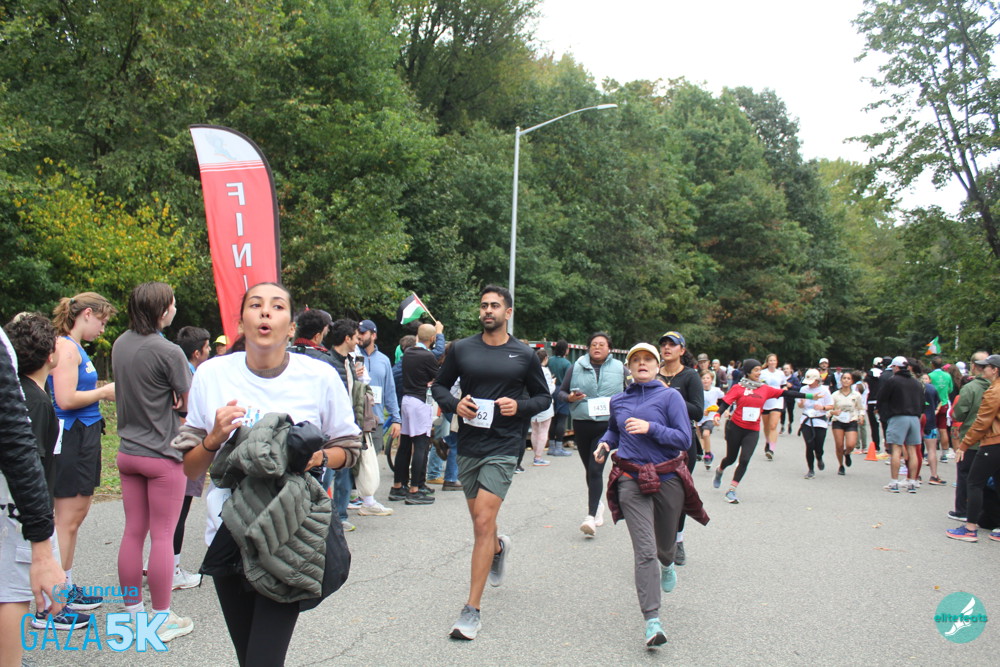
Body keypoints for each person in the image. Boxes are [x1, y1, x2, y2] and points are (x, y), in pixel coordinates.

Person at [175, 282, 361, 666]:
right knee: (249, 657)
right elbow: (190, 467)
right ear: (241, 322)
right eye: (255, 304)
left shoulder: (319, 376)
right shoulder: (212, 374)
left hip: (289, 531)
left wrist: (317, 458)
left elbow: (350, 451)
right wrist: (213, 438)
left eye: (277, 306)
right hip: (228, 530)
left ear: (291, 327)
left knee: (263, 659)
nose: (265, 312)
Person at [431, 285, 550, 640]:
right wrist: (455, 405)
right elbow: (439, 387)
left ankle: (472, 610)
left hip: (505, 445)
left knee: (484, 520)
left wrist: (520, 407)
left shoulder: (524, 355)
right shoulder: (462, 348)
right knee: (481, 524)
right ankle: (498, 548)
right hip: (469, 444)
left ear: (507, 313)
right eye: (483, 305)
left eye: (495, 305)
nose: (487, 310)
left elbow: (543, 398)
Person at [593, 343, 708, 648]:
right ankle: (652, 621)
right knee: (645, 551)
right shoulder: (619, 400)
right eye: (636, 360)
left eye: (647, 359)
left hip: (667, 478)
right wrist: (605, 444)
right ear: (629, 367)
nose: (641, 363)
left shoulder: (671, 397)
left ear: (657, 367)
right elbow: (614, 431)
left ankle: (667, 563)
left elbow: (683, 438)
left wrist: (650, 427)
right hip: (630, 478)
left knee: (664, 547)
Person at [111, 282, 194, 641]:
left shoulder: (119, 343)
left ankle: (133, 613)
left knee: (133, 532)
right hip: (162, 454)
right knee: (163, 535)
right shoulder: (169, 351)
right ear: (162, 310)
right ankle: (161, 618)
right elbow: (189, 402)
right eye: (172, 304)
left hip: (128, 451)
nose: (174, 309)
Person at [0, 327, 69, 667]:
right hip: (18, 507)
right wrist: (39, 514)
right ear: (50, 355)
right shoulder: (36, 401)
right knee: (13, 591)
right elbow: (27, 457)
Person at [49, 292, 117, 611]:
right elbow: (64, 399)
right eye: (101, 321)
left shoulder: (75, 347)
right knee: (67, 519)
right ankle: (54, 599)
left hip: (84, 434)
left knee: (74, 517)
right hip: (72, 436)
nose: (102, 329)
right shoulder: (65, 347)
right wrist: (104, 392)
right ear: (86, 314)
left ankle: (65, 584)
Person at [711, 359, 813, 503]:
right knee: (731, 458)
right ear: (748, 372)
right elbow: (725, 403)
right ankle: (720, 469)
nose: (759, 373)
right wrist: (717, 415)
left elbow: (786, 393)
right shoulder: (738, 388)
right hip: (735, 428)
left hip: (752, 430)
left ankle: (731, 490)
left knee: (744, 459)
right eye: (756, 370)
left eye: (760, 370)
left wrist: (810, 396)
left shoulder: (765, 389)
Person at [558, 332, 626, 536]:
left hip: (607, 427)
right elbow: (561, 392)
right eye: (594, 344)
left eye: (602, 344)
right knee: (589, 469)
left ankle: (590, 516)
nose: (597, 347)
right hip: (582, 423)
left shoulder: (620, 368)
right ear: (588, 347)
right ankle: (598, 505)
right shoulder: (576, 366)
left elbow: (632, 391)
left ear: (609, 348)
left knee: (596, 469)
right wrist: (570, 398)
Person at [654, 332, 702, 565]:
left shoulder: (690, 376)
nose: (667, 348)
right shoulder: (653, 373)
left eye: (672, 345)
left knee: (678, 494)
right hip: (655, 440)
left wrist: (669, 394)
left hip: (682, 441)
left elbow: (698, 411)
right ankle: (658, 540)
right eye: (663, 344)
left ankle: (678, 540)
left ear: (682, 350)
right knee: (653, 491)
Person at [172, 325, 213, 590]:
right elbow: (186, 414)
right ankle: (172, 568)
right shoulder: (190, 377)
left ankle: (160, 562)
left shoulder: (182, 371)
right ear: (197, 352)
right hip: (185, 449)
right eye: (207, 347)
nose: (210, 351)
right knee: (179, 511)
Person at [5, 313, 60, 500]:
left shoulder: (16, 388)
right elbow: (31, 462)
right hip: (29, 503)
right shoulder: (37, 401)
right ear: (49, 356)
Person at [946, 354, 1000, 542]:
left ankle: (970, 529)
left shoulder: (994, 391)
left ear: (995, 370)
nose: (982, 369)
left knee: (974, 482)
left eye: (986, 367)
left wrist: (965, 444)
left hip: (992, 442)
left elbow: (982, 422)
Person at [355, 319, 404, 510]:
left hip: (375, 418)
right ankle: (354, 497)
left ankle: (367, 498)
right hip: (355, 416)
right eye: (358, 333)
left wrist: (396, 418)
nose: (359, 336)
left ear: (373, 335)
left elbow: (389, 391)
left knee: (371, 458)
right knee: (352, 458)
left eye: (363, 333)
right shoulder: (352, 355)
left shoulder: (383, 360)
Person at [393, 323, 440, 505]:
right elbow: (437, 376)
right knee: (421, 444)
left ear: (417, 336)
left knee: (405, 444)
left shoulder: (407, 353)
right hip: (419, 400)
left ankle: (398, 485)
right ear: (433, 339)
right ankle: (415, 489)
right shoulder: (428, 356)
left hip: (406, 400)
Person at [949, 351, 990, 522]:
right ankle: (987, 514)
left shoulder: (971, 388)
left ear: (973, 366)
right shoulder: (994, 387)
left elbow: (959, 414)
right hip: (992, 440)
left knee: (967, 476)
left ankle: (963, 511)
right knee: (988, 479)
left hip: (972, 439)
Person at [877, 356, 925, 493]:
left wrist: (884, 414)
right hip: (914, 418)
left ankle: (894, 482)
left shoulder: (893, 381)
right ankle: (912, 482)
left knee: (896, 449)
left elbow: (882, 398)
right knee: (912, 450)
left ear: (896, 367)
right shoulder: (916, 383)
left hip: (898, 416)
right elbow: (922, 402)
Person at [797, 369, 834, 478]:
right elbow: (799, 405)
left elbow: (831, 405)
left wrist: (822, 407)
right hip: (807, 420)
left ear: (817, 380)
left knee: (818, 446)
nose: (810, 384)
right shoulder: (803, 389)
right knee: (809, 445)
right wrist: (802, 403)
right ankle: (811, 469)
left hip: (820, 420)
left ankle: (819, 456)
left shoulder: (824, 390)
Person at [830, 370, 864, 476]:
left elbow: (860, 407)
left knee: (851, 444)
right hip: (838, 421)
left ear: (852, 381)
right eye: (844, 378)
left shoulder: (856, 395)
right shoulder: (835, 395)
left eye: (848, 379)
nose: (846, 380)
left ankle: (847, 453)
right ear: (841, 380)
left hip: (851, 420)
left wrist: (861, 416)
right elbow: (829, 408)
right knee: (839, 445)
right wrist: (832, 412)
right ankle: (841, 465)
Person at [546, 340, 573, 457]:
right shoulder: (567, 363)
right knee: (562, 419)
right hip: (562, 391)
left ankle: (551, 447)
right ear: (566, 350)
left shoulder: (550, 361)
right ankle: (559, 447)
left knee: (552, 419)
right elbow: (570, 380)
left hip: (550, 390)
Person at [530, 348, 556, 466]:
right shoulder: (545, 371)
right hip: (545, 403)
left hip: (533, 401)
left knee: (534, 430)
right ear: (545, 359)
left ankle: (535, 455)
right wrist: (553, 383)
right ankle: (538, 457)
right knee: (544, 431)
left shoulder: (531, 369)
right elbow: (549, 389)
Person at [919, 371, 945, 485]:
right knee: (931, 449)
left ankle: (916, 475)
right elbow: (938, 402)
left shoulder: (916, 387)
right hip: (930, 420)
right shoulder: (932, 389)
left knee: (916, 449)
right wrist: (936, 410)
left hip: (918, 420)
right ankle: (934, 475)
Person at [928, 356, 954, 459]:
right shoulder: (947, 375)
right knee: (943, 429)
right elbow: (950, 389)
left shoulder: (930, 375)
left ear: (932, 364)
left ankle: (931, 453)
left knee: (932, 429)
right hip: (944, 404)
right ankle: (944, 454)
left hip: (933, 404)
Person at [758, 354, 784, 460]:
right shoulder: (762, 373)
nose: (772, 362)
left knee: (773, 425)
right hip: (765, 401)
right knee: (766, 426)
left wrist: (785, 390)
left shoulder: (780, 373)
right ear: (767, 362)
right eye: (771, 360)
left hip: (777, 401)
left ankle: (771, 449)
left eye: (774, 360)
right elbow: (758, 384)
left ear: (777, 362)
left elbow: (784, 385)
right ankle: (768, 441)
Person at [698, 369, 724, 471]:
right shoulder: (698, 391)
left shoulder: (716, 390)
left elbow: (725, 400)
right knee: (701, 438)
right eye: (703, 378)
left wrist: (724, 410)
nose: (705, 380)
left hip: (711, 417)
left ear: (712, 380)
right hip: (700, 417)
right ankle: (706, 453)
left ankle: (707, 454)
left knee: (706, 434)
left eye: (707, 378)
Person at [780, 363, 801, 435]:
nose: (785, 370)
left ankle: (790, 423)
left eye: (787, 369)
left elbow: (799, 388)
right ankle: (782, 425)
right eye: (784, 369)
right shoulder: (781, 378)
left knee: (790, 412)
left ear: (791, 370)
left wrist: (791, 386)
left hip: (791, 397)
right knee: (782, 411)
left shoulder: (794, 378)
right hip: (783, 397)